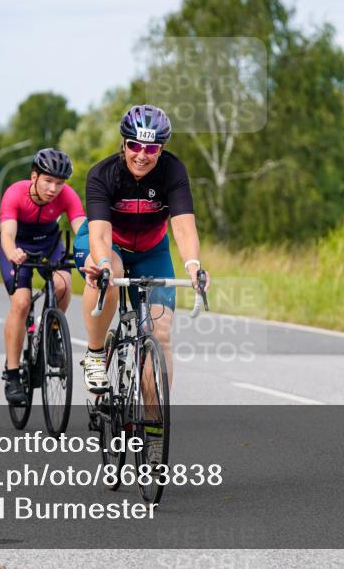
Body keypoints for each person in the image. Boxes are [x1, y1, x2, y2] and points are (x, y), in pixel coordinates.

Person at [75, 105, 209, 460]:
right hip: (109, 245)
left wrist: (194, 266)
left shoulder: (173, 171)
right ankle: (94, 353)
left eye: (152, 148)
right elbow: (100, 234)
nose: (142, 155)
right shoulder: (103, 174)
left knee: (160, 336)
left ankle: (153, 430)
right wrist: (103, 264)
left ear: (161, 149)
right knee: (107, 275)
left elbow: (182, 225)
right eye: (135, 145)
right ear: (124, 143)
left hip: (152, 251)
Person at [0, 148, 86, 405]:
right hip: (18, 246)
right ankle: (13, 374)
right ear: (34, 176)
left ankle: (52, 335)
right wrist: (12, 252)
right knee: (22, 302)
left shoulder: (66, 195)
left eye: (59, 183)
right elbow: (7, 233)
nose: (53, 189)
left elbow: (81, 227)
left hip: (49, 242)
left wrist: (90, 251)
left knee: (62, 284)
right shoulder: (15, 193)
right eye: (48, 180)